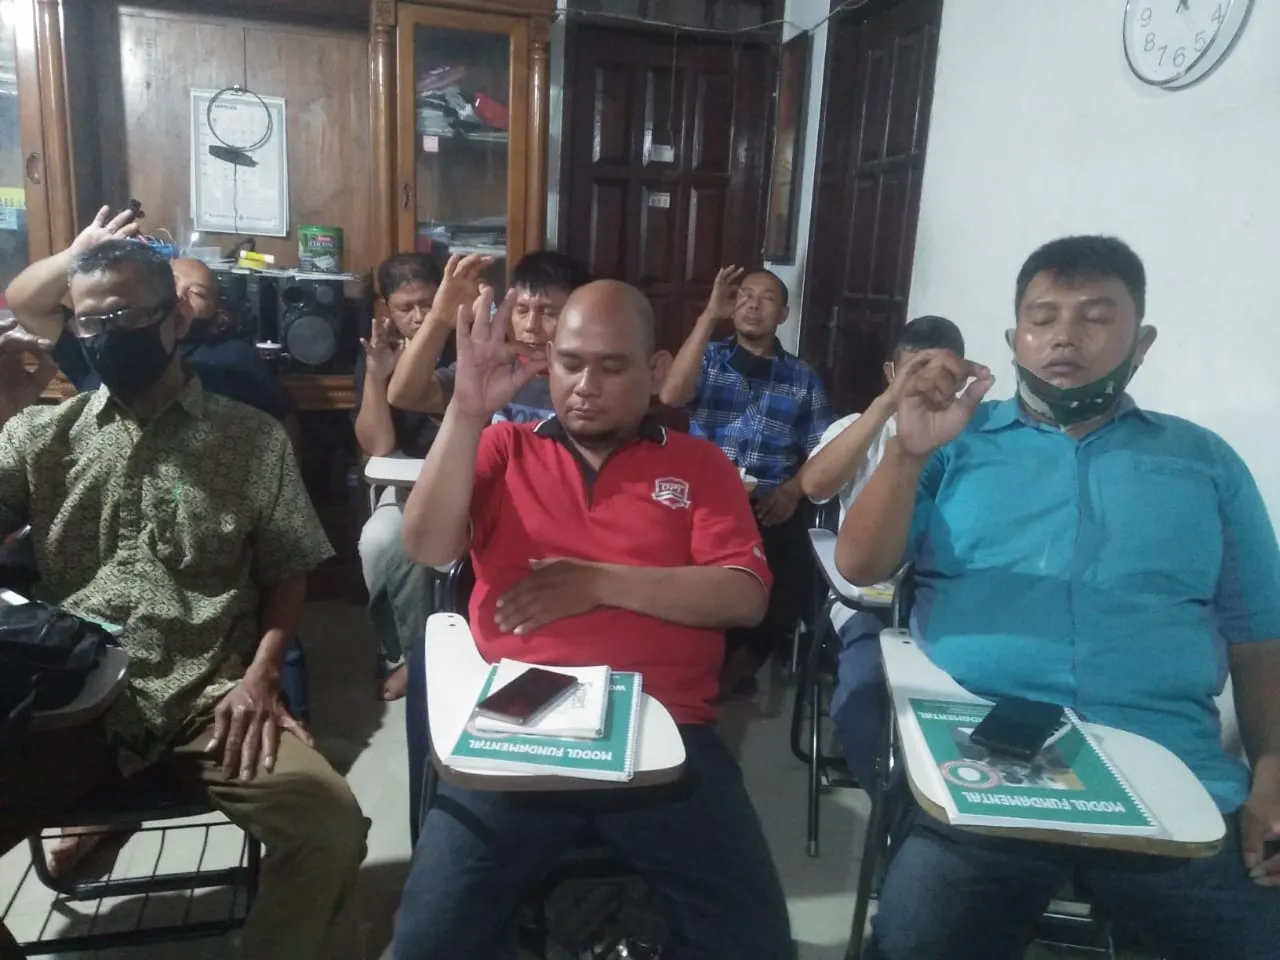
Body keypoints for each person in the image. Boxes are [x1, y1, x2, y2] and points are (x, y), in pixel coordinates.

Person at [836, 235, 1280, 960]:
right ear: (1015, 339)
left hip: (1168, 766)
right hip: (984, 759)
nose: (1065, 336)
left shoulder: (1204, 463)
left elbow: (1261, 634)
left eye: (1095, 317)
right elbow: (859, 566)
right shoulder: (955, 443)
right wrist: (906, 453)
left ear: (1142, 343)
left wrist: (1273, 772)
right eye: (1043, 318)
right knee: (917, 942)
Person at [393, 279, 793, 959]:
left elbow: (743, 596)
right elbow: (428, 546)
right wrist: (464, 412)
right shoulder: (504, 448)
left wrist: (599, 583)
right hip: (520, 720)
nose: (585, 386)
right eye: (571, 363)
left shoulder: (700, 465)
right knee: (430, 938)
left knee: (754, 942)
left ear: (656, 371)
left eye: (612, 367)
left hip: (663, 724)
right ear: (548, 361)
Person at [0, 239, 367, 960]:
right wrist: (3, 404)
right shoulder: (40, 435)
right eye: (90, 321)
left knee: (329, 828)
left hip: (208, 697)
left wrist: (263, 676)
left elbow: (287, 569)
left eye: (126, 317)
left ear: (173, 320)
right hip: (70, 702)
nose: (106, 336)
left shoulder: (251, 439)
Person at [797, 314, 965, 785]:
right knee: (862, 698)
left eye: (942, 374)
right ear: (892, 372)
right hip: (871, 600)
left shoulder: (972, 434)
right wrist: (887, 406)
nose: (927, 386)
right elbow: (814, 486)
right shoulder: (858, 427)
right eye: (914, 372)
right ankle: (893, 808)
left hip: (947, 600)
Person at [659, 266, 831, 692]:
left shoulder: (802, 378)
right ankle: (694, 660)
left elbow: (824, 449)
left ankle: (739, 667)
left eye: (767, 298)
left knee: (795, 573)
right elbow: (671, 395)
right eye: (745, 296)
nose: (753, 305)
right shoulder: (710, 359)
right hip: (704, 499)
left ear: (784, 314)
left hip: (769, 502)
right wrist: (707, 316)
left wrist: (793, 490)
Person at [353, 252, 454, 700]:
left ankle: (440, 650)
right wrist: (376, 378)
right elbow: (378, 447)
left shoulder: (464, 341)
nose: (418, 317)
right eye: (405, 308)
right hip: (407, 480)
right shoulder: (380, 349)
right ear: (387, 309)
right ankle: (401, 653)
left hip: (463, 478)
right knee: (379, 541)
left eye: (428, 304)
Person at [386, 248, 592, 424]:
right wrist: (439, 319)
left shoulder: (589, 382)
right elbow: (404, 395)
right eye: (521, 310)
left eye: (548, 313)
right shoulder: (491, 366)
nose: (531, 325)